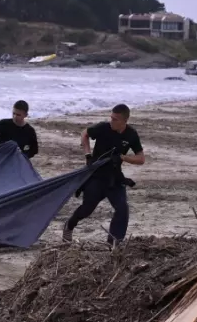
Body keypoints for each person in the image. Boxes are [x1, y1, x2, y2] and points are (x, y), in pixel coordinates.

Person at [62, 104, 145, 246]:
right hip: (96, 176)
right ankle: (69, 225)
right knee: (87, 209)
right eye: (111, 118)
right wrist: (88, 155)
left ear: (124, 121)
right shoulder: (102, 128)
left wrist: (124, 158)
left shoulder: (131, 134)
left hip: (115, 178)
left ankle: (113, 243)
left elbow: (141, 159)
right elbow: (85, 134)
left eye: (115, 119)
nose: (111, 121)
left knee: (122, 209)